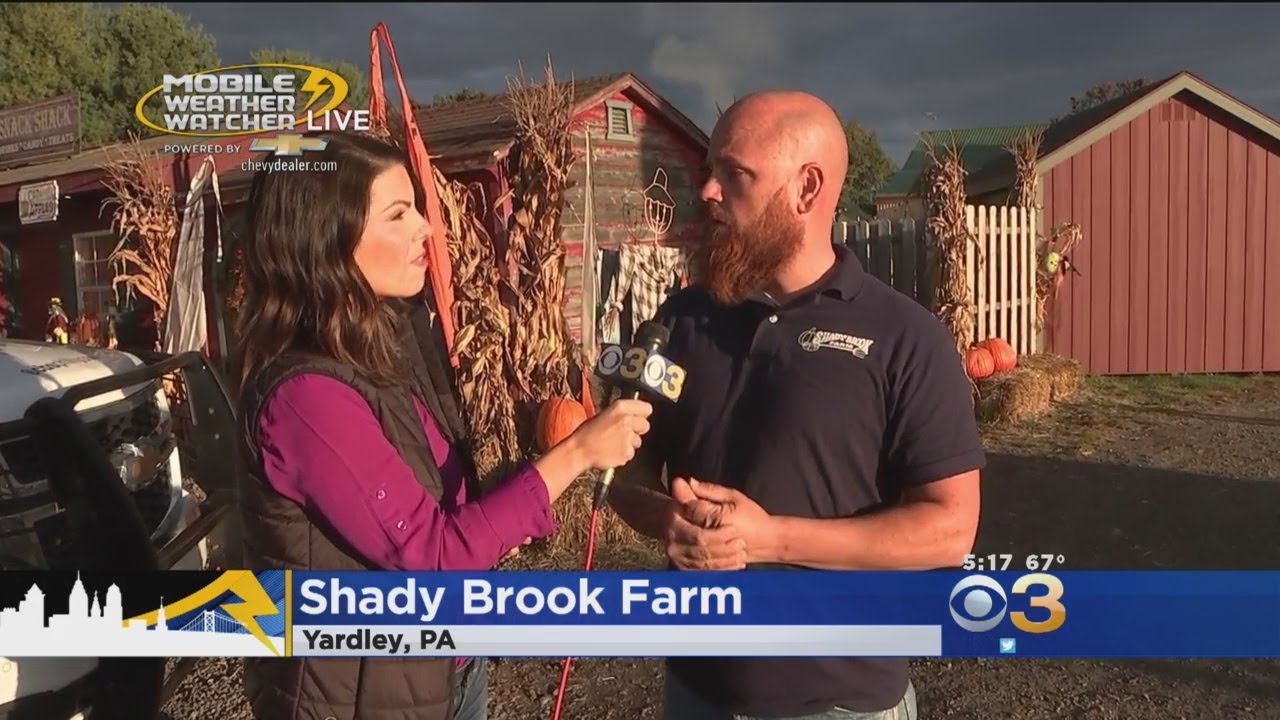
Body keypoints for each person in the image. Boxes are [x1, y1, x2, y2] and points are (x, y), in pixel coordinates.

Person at [232, 131, 653, 720]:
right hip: (360, 696)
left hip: (437, 667)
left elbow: (434, 492)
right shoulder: (307, 398)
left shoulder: (383, 342)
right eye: (397, 213)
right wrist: (575, 452)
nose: (425, 228)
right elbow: (431, 558)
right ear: (324, 237)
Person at [607, 91, 985, 719]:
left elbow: (949, 530)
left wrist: (772, 539)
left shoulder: (905, 339)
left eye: (734, 174)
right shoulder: (680, 324)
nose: (706, 192)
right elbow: (625, 468)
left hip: (840, 704)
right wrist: (666, 522)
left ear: (807, 189)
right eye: (709, 171)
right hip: (695, 692)